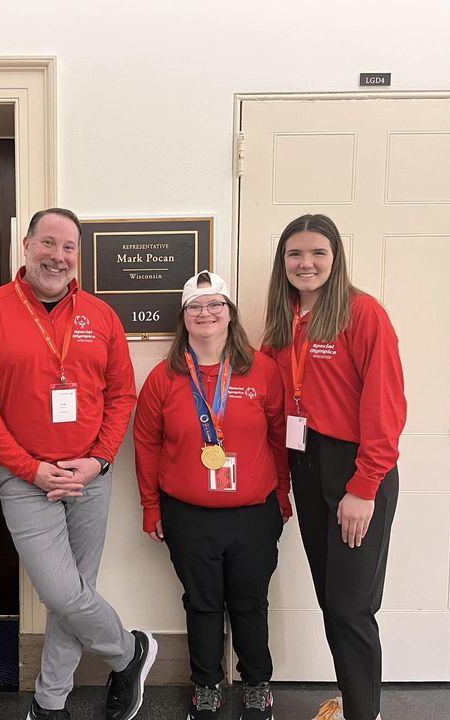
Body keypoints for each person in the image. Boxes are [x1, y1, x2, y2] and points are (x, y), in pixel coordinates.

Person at [0, 208, 157, 720]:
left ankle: (48, 705)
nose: (58, 256)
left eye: (69, 248)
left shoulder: (100, 315)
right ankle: (130, 651)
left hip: (90, 477)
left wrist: (98, 460)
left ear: (77, 256)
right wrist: (29, 467)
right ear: (26, 246)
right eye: (48, 243)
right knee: (61, 590)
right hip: (25, 478)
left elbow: (121, 394)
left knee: (74, 595)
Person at [261, 215, 406, 720]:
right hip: (307, 464)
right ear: (283, 263)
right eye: (295, 255)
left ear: (336, 257)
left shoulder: (363, 314)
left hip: (356, 470)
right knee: (333, 601)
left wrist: (364, 487)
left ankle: (365, 713)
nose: (306, 263)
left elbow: (384, 408)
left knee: (350, 606)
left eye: (317, 252)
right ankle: (353, 701)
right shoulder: (282, 323)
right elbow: (273, 402)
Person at [133, 271, 290, 720]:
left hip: (254, 514)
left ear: (229, 314)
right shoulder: (164, 378)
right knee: (201, 603)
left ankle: (257, 683)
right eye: (196, 307)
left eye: (215, 305)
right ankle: (206, 683)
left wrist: (282, 495)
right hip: (188, 515)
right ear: (184, 318)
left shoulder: (261, 370)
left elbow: (279, 437)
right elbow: (145, 444)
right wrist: (150, 506)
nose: (206, 314)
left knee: (250, 601)